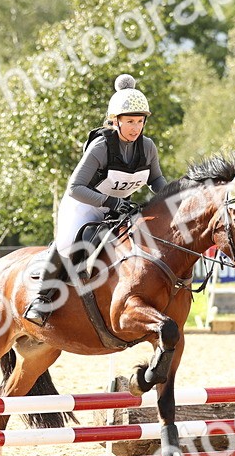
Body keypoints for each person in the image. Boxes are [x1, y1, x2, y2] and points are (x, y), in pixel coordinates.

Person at [23, 73, 168, 326]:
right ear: (115, 120)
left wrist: (172, 198)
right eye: (129, 121)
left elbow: (156, 180)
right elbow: (75, 187)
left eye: (140, 121)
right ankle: (41, 299)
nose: (135, 127)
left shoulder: (147, 147)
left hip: (120, 209)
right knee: (67, 242)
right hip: (84, 204)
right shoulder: (101, 147)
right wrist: (111, 202)